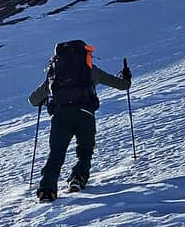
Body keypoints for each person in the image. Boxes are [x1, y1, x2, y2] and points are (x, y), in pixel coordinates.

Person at [29, 40, 131, 201]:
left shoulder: (54, 72)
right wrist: (126, 77)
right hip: (85, 114)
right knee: (85, 150)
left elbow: (33, 100)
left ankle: (47, 190)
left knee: (56, 154)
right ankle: (78, 177)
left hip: (60, 117)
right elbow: (122, 85)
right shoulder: (89, 69)